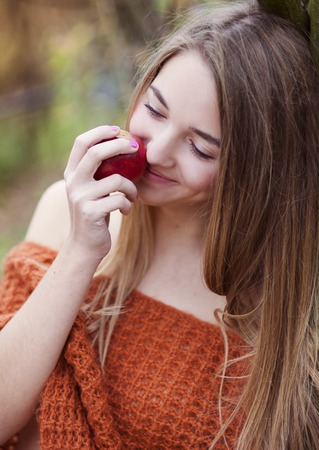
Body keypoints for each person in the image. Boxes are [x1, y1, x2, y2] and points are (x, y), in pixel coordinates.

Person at [0, 0, 319, 448]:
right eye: (155, 109)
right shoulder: (63, 211)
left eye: (201, 148)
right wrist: (78, 253)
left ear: (253, 171)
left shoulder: (269, 307)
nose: (157, 150)